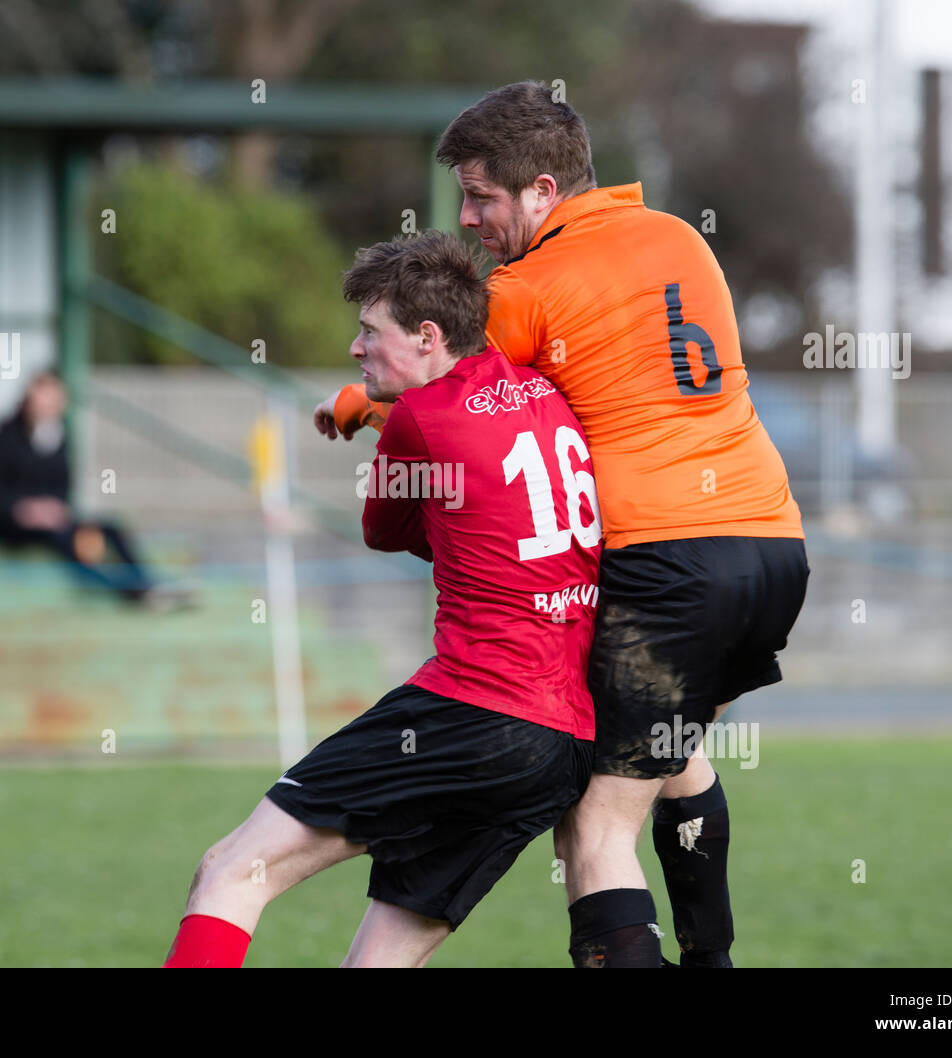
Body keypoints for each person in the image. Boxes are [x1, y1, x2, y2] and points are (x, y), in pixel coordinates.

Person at [317, 82, 809, 968]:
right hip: (772, 549)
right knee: (674, 758)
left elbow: (440, 378)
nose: (468, 217)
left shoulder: (529, 285)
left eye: (483, 196)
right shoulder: (676, 235)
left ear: (545, 191)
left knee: (593, 827)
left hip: (670, 563)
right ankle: (711, 957)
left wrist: (356, 400)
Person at [164, 230, 603, 968]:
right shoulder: (544, 390)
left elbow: (387, 531)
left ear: (429, 336)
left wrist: (372, 414)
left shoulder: (418, 422)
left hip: (474, 707)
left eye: (371, 332)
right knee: (381, 958)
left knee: (231, 870)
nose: (355, 349)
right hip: (558, 747)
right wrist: (378, 410)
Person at [0, 370, 177, 608]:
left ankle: (146, 581)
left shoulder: (60, 437)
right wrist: (23, 509)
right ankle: (128, 591)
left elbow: (63, 488)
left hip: (52, 520)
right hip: (11, 524)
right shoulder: (6, 437)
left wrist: (54, 509)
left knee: (108, 527)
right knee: (65, 540)